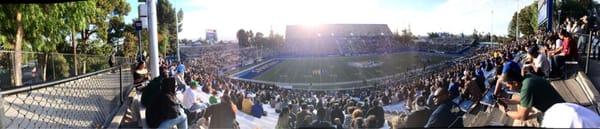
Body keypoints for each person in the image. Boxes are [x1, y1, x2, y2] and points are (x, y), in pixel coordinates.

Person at [498, 70, 565, 121]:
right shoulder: (528, 77)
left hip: (559, 116)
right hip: (561, 107)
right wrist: (509, 101)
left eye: (509, 86)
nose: (509, 89)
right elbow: (527, 98)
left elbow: (522, 117)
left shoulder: (526, 87)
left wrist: (506, 112)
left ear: (515, 83)